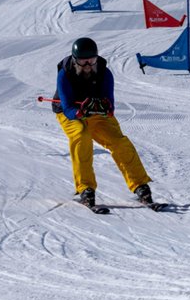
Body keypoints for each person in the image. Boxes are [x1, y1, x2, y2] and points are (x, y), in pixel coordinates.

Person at [53, 36, 153, 208]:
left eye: (91, 61)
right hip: (69, 113)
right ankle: (85, 188)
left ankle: (140, 185)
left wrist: (104, 106)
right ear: (75, 60)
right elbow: (67, 107)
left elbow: (110, 105)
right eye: (83, 62)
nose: (87, 66)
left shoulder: (104, 73)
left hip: (96, 114)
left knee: (119, 141)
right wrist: (80, 111)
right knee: (81, 135)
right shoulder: (65, 75)